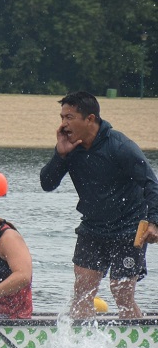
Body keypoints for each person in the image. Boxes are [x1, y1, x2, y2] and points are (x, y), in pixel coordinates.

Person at [40, 91, 158, 319]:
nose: (63, 124)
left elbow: (152, 184)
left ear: (90, 119)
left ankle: (137, 344)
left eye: (69, 117)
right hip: (92, 228)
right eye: (62, 117)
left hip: (129, 228)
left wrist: (154, 222)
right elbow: (47, 184)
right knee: (82, 292)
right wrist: (60, 155)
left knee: (121, 293)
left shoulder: (120, 146)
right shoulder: (71, 148)